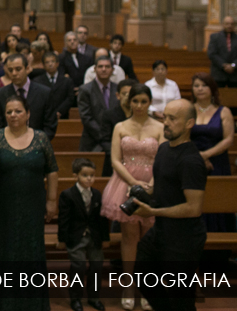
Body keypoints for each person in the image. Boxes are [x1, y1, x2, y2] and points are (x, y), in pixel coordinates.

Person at [132, 100, 207, 311]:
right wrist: (144, 191)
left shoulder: (191, 161)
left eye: (173, 119)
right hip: (162, 231)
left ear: (189, 123)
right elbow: (159, 184)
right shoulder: (164, 148)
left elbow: (193, 208)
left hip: (185, 239)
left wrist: (152, 211)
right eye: (165, 117)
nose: (166, 122)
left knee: (181, 297)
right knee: (142, 274)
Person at [0, 95, 59, 311]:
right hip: (7, 206)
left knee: (32, 250)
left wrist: (52, 200)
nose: (13, 115)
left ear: (28, 114)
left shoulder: (41, 138)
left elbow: (52, 170)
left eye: (18, 111)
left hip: (34, 205)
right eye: (9, 112)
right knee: (6, 249)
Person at [100, 83, 164, 311]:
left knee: (149, 238)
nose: (139, 105)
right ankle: (128, 285)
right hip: (125, 182)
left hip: (153, 184)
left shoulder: (159, 126)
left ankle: (147, 287)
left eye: (143, 101)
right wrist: (135, 183)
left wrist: (151, 185)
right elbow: (116, 160)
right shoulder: (120, 126)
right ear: (129, 102)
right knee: (129, 236)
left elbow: (163, 158)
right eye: (135, 101)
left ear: (149, 103)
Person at [189, 73, 235, 235]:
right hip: (191, 163)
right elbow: (181, 137)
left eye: (204, 85)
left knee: (218, 200)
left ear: (212, 88)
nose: (200, 89)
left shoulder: (224, 111)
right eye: (196, 86)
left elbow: (228, 139)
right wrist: (198, 157)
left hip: (217, 163)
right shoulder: (188, 110)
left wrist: (205, 155)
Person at [59, 158, 108, 311]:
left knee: (97, 266)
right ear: (75, 176)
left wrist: (105, 238)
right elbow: (64, 219)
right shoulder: (68, 195)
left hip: (94, 237)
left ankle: (94, 297)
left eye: (92, 175)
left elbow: (102, 219)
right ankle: (76, 298)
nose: (89, 178)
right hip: (76, 237)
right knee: (78, 266)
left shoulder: (97, 194)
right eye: (85, 175)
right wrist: (62, 239)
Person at [0, 53, 56, 139]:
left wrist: (37, 144)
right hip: (8, 146)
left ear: (27, 68)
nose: (14, 73)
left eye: (18, 69)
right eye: (10, 70)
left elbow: (50, 125)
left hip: (37, 146)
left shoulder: (44, 93)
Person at [99, 79, 139, 176]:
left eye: (130, 94)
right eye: (124, 93)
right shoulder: (109, 115)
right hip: (115, 160)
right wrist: (119, 157)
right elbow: (105, 141)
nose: (127, 97)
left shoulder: (140, 115)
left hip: (138, 160)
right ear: (118, 95)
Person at [78, 56, 116, 151]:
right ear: (95, 69)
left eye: (107, 67)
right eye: (100, 66)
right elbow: (86, 117)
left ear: (112, 69)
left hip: (115, 138)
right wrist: (104, 135)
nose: (104, 69)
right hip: (92, 140)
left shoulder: (118, 89)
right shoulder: (85, 90)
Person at [35, 51, 75, 120]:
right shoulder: (37, 81)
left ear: (57, 63)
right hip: (43, 117)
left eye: (52, 61)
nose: (50, 64)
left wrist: (60, 111)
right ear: (43, 65)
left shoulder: (67, 81)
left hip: (63, 116)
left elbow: (70, 98)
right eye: (47, 62)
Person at [207, 16, 237, 88]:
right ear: (223, 24)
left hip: (235, 75)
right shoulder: (215, 37)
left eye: (231, 24)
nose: (229, 26)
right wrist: (224, 65)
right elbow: (212, 54)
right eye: (227, 24)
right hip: (218, 74)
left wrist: (233, 66)